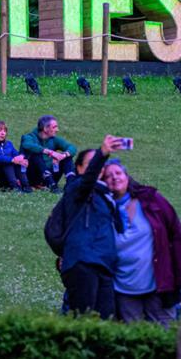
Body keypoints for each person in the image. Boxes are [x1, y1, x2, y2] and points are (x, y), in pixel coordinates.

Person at [101, 160, 181, 326]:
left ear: (127, 176)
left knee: (165, 335)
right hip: (123, 289)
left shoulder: (151, 200)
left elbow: (177, 234)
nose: (114, 178)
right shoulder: (102, 209)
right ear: (103, 183)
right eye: (108, 176)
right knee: (132, 339)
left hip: (158, 286)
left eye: (118, 173)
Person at [59, 135, 125, 319]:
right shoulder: (77, 188)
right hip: (83, 262)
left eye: (98, 164)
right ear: (79, 168)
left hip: (103, 264)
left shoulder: (105, 195)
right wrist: (102, 153)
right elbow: (88, 180)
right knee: (84, 320)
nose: (97, 167)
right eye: (91, 163)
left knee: (106, 319)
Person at [20, 115, 77, 192]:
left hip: (50, 174)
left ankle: (70, 185)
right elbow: (27, 145)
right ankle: (52, 186)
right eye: (54, 127)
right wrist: (50, 152)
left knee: (67, 157)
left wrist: (63, 155)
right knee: (36, 154)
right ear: (45, 129)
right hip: (33, 176)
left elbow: (72, 147)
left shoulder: (54, 139)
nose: (57, 130)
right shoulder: (29, 137)